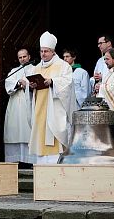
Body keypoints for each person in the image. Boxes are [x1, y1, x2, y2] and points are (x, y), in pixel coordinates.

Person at [28, 31, 77, 164]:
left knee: (54, 135)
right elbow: (31, 88)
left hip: (54, 110)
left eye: (46, 51)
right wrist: (31, 86)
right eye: (41, 51)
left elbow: (68, 84)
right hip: (39, 108)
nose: (43, 54)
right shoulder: (36, 68)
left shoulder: (63, 66)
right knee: (40, 136)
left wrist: (53, 82)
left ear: (53, 52)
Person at [4, 48, 35, 165]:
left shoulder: (35, 69)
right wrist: (18, 83)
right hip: (15, 105)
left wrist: (26, 84)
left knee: (29, 131)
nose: (22, 59)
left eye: (24, 56)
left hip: (30, 103)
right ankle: (14, 161)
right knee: (15, 130)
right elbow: (8, 85)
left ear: (29, 57)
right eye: (20, 57)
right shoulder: (14, 71)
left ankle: (31, 161)